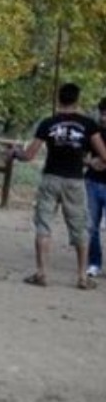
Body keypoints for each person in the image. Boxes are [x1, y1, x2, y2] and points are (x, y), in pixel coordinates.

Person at [9, 83, 106, 290]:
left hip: (51, 178)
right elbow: (104, 155)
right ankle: (82, 277)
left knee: (43, 225)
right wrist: (91, 162)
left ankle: (42, 273)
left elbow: (29, 155)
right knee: (80, 227)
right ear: (77, 100)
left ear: (58, 99)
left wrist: (15, 153)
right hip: (75, 181)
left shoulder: (48, 123)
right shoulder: (88, 125)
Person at [85, 97, 106, 278]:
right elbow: (78, 153)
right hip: (92, 182)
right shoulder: (93, 132)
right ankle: (94, 263)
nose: (104, 117)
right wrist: (90, 162)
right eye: (102, 113)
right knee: (91, 226)